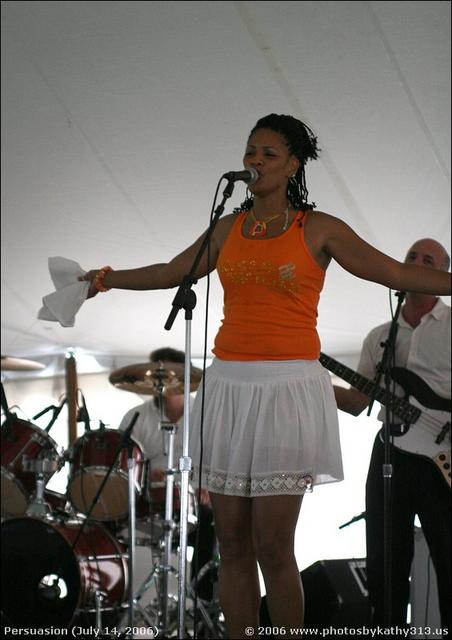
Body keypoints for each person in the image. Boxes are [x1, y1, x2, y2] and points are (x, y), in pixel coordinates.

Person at [81, 114, 451, 639]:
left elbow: (394, 272)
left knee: (274, 547)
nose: (255, 160)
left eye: (269, 153)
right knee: (232, 545)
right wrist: (103, 279)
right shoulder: (228, 228)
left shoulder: (318, 228)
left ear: (293, 165)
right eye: (250, 151)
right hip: (229, 388)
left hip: (287, 391)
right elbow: (170, 272)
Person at [333, 238, 451, 630]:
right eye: (411, 257)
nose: (416, 262)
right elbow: (357, 402)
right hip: (391, 454)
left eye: (428, 260)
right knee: (386, 568)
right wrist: (312, 384)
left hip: (442, 462)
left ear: (443, 275)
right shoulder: (381, 336)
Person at [117, 347, 217, 601]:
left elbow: (218, 457)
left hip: (192, 500)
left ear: (185, 376)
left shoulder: (205, 414)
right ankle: (121, 595)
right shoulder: (136, 417)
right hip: (147, 501)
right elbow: (121, 464)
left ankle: (201, 601)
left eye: (171, 374)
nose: (165, 381)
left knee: (212, 525)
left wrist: (207, 484)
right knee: (113, 520)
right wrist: (144, 476)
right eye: (159, 375)